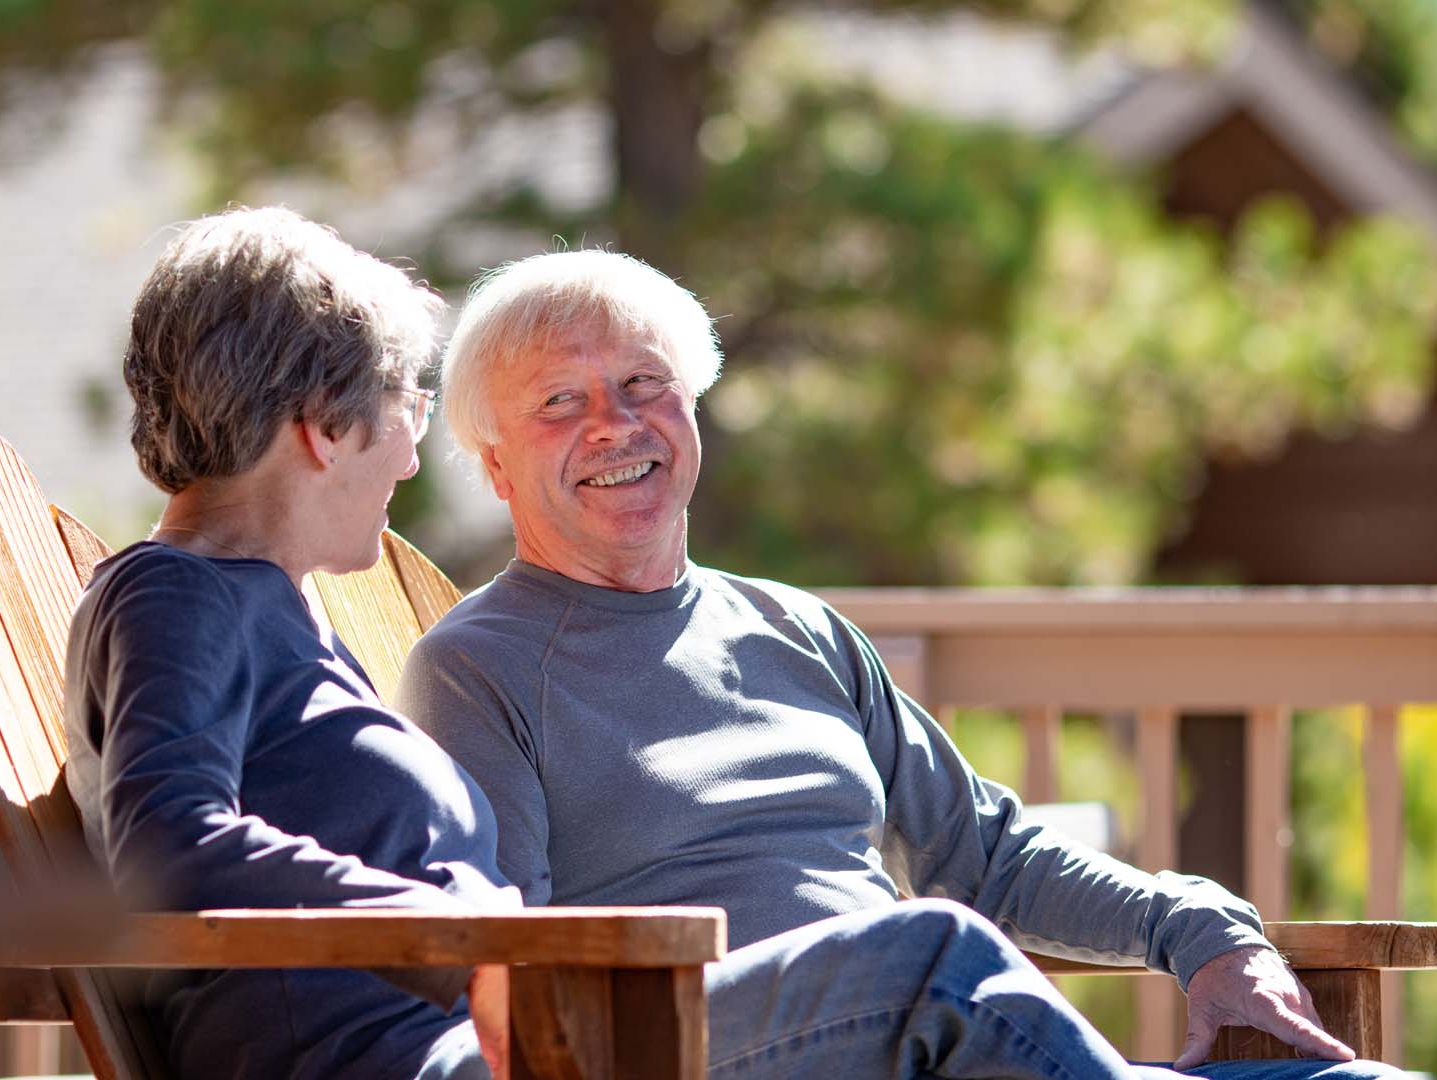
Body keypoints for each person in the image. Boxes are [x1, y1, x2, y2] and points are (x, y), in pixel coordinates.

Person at [66, 206, 1197, 1080]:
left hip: (491, 1048)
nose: (410, 460)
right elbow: (171, 842)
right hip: (456, 1064)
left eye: (647, 387)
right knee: (934, 960)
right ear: (321, 428)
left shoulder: (261, 609)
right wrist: (462, 928)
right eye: (403, 407)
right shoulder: (178, 594)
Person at [395, 248, 1402, 1079]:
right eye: (559, 404)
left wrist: (1197, 923)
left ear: (692, 407)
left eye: (642, 383)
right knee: (929, 954)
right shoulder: (474, 670)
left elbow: (988, 855)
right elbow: (515, 977)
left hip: (917, 1042)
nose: (614, 423)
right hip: (697, 1052)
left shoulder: (796, 629)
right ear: (494, 466)